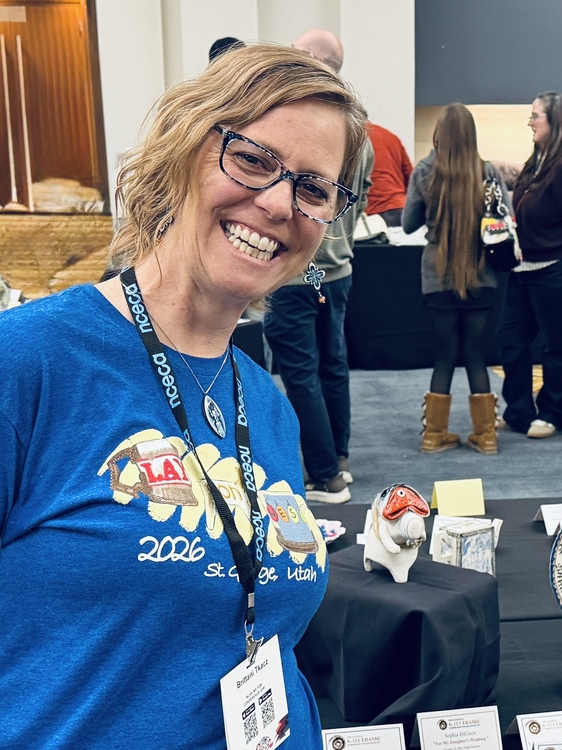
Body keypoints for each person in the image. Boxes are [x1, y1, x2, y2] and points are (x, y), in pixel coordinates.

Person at [0, 44, 368, 748]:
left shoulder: (267, 404)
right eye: (253, 160)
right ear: (184, 150)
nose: (278, 204)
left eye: (315, 189)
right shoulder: (28, 364)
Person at [264, 28, 374, 505]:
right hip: (337, 268)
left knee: (303, 372)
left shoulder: (310, 123)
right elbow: (360, 200)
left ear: (311, 58)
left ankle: (325, 475)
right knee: (332, 366)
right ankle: (338, 462)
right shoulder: (359, 129)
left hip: (302, 270)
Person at [402, 103, 510, 454]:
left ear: (439, 135)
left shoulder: (425, 171)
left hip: (438, 275)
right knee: (475, 352)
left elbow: (408, 223)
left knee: (445, 353)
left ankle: (434, 435)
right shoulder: (489, 172)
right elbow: (504, 221)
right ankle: (487, 436)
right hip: (483, 275)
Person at [495, 91, 562, 439]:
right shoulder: (537, 161)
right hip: (525, 268)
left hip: (559, 267)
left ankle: (553, 413)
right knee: (510, 341)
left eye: (535, 116)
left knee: (557, 345)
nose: (530, 122)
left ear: (555, 121)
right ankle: (519, 411)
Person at [367, 122, 413, 226]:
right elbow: (410, 176)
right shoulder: (390, 136)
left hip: (374, 212)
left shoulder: (355, 138)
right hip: (400, 207)